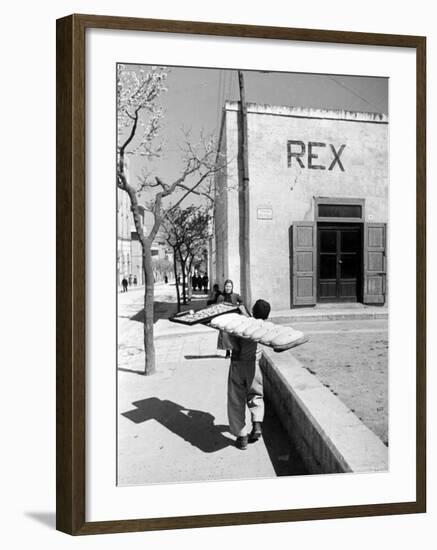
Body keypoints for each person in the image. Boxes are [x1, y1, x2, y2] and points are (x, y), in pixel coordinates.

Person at [227, 299, 271, 450]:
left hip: (238, 365)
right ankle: (257, 424)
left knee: (236, 400)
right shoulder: (265, 327)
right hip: (255, 366)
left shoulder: (244, 325)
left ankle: (242, 437)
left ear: (253, 310)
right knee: (256, 395)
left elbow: (231, 341)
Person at [217, 279, 242, 358]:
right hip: (224, 318)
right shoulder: (221, 297)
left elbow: (242, 302)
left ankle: (235, 351)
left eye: (230, 286)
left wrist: (238, 308)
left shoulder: (235, 295)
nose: (228, 288)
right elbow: (216, 308)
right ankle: (228, 352)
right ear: (224, 287)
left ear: (232, 287)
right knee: (225, 335)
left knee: (234, 334)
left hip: (233, 317)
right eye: (227, 286)